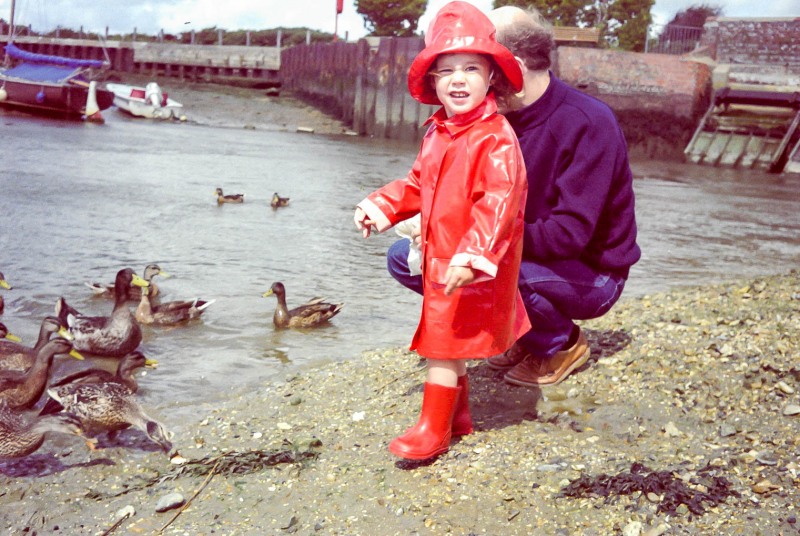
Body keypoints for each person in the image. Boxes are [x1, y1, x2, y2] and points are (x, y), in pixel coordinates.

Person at [386, 5, 641, 388]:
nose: (464, 80)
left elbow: (569, 234)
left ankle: (562, 343)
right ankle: (521, 334)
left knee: (493, 270)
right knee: (407, 261)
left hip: (591, 271)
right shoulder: (484, 123)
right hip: (528, 252)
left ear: (511, 66)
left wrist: (473, 246)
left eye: (476, 65)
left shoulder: (588, 122)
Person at [354, 1, 530, 461]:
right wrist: (382, 205)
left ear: (492, 76)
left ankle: (433, 430)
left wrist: (474, 256)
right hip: (440, 257)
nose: (457, 79)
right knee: (446, 339)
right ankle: (459, 418)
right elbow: (418, 184)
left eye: (471, 68)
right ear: (432, 81)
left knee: (440, 342)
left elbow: (500, 201)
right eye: (446, 70)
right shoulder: (439, 132)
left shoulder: (494, 138)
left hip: (467, 262)